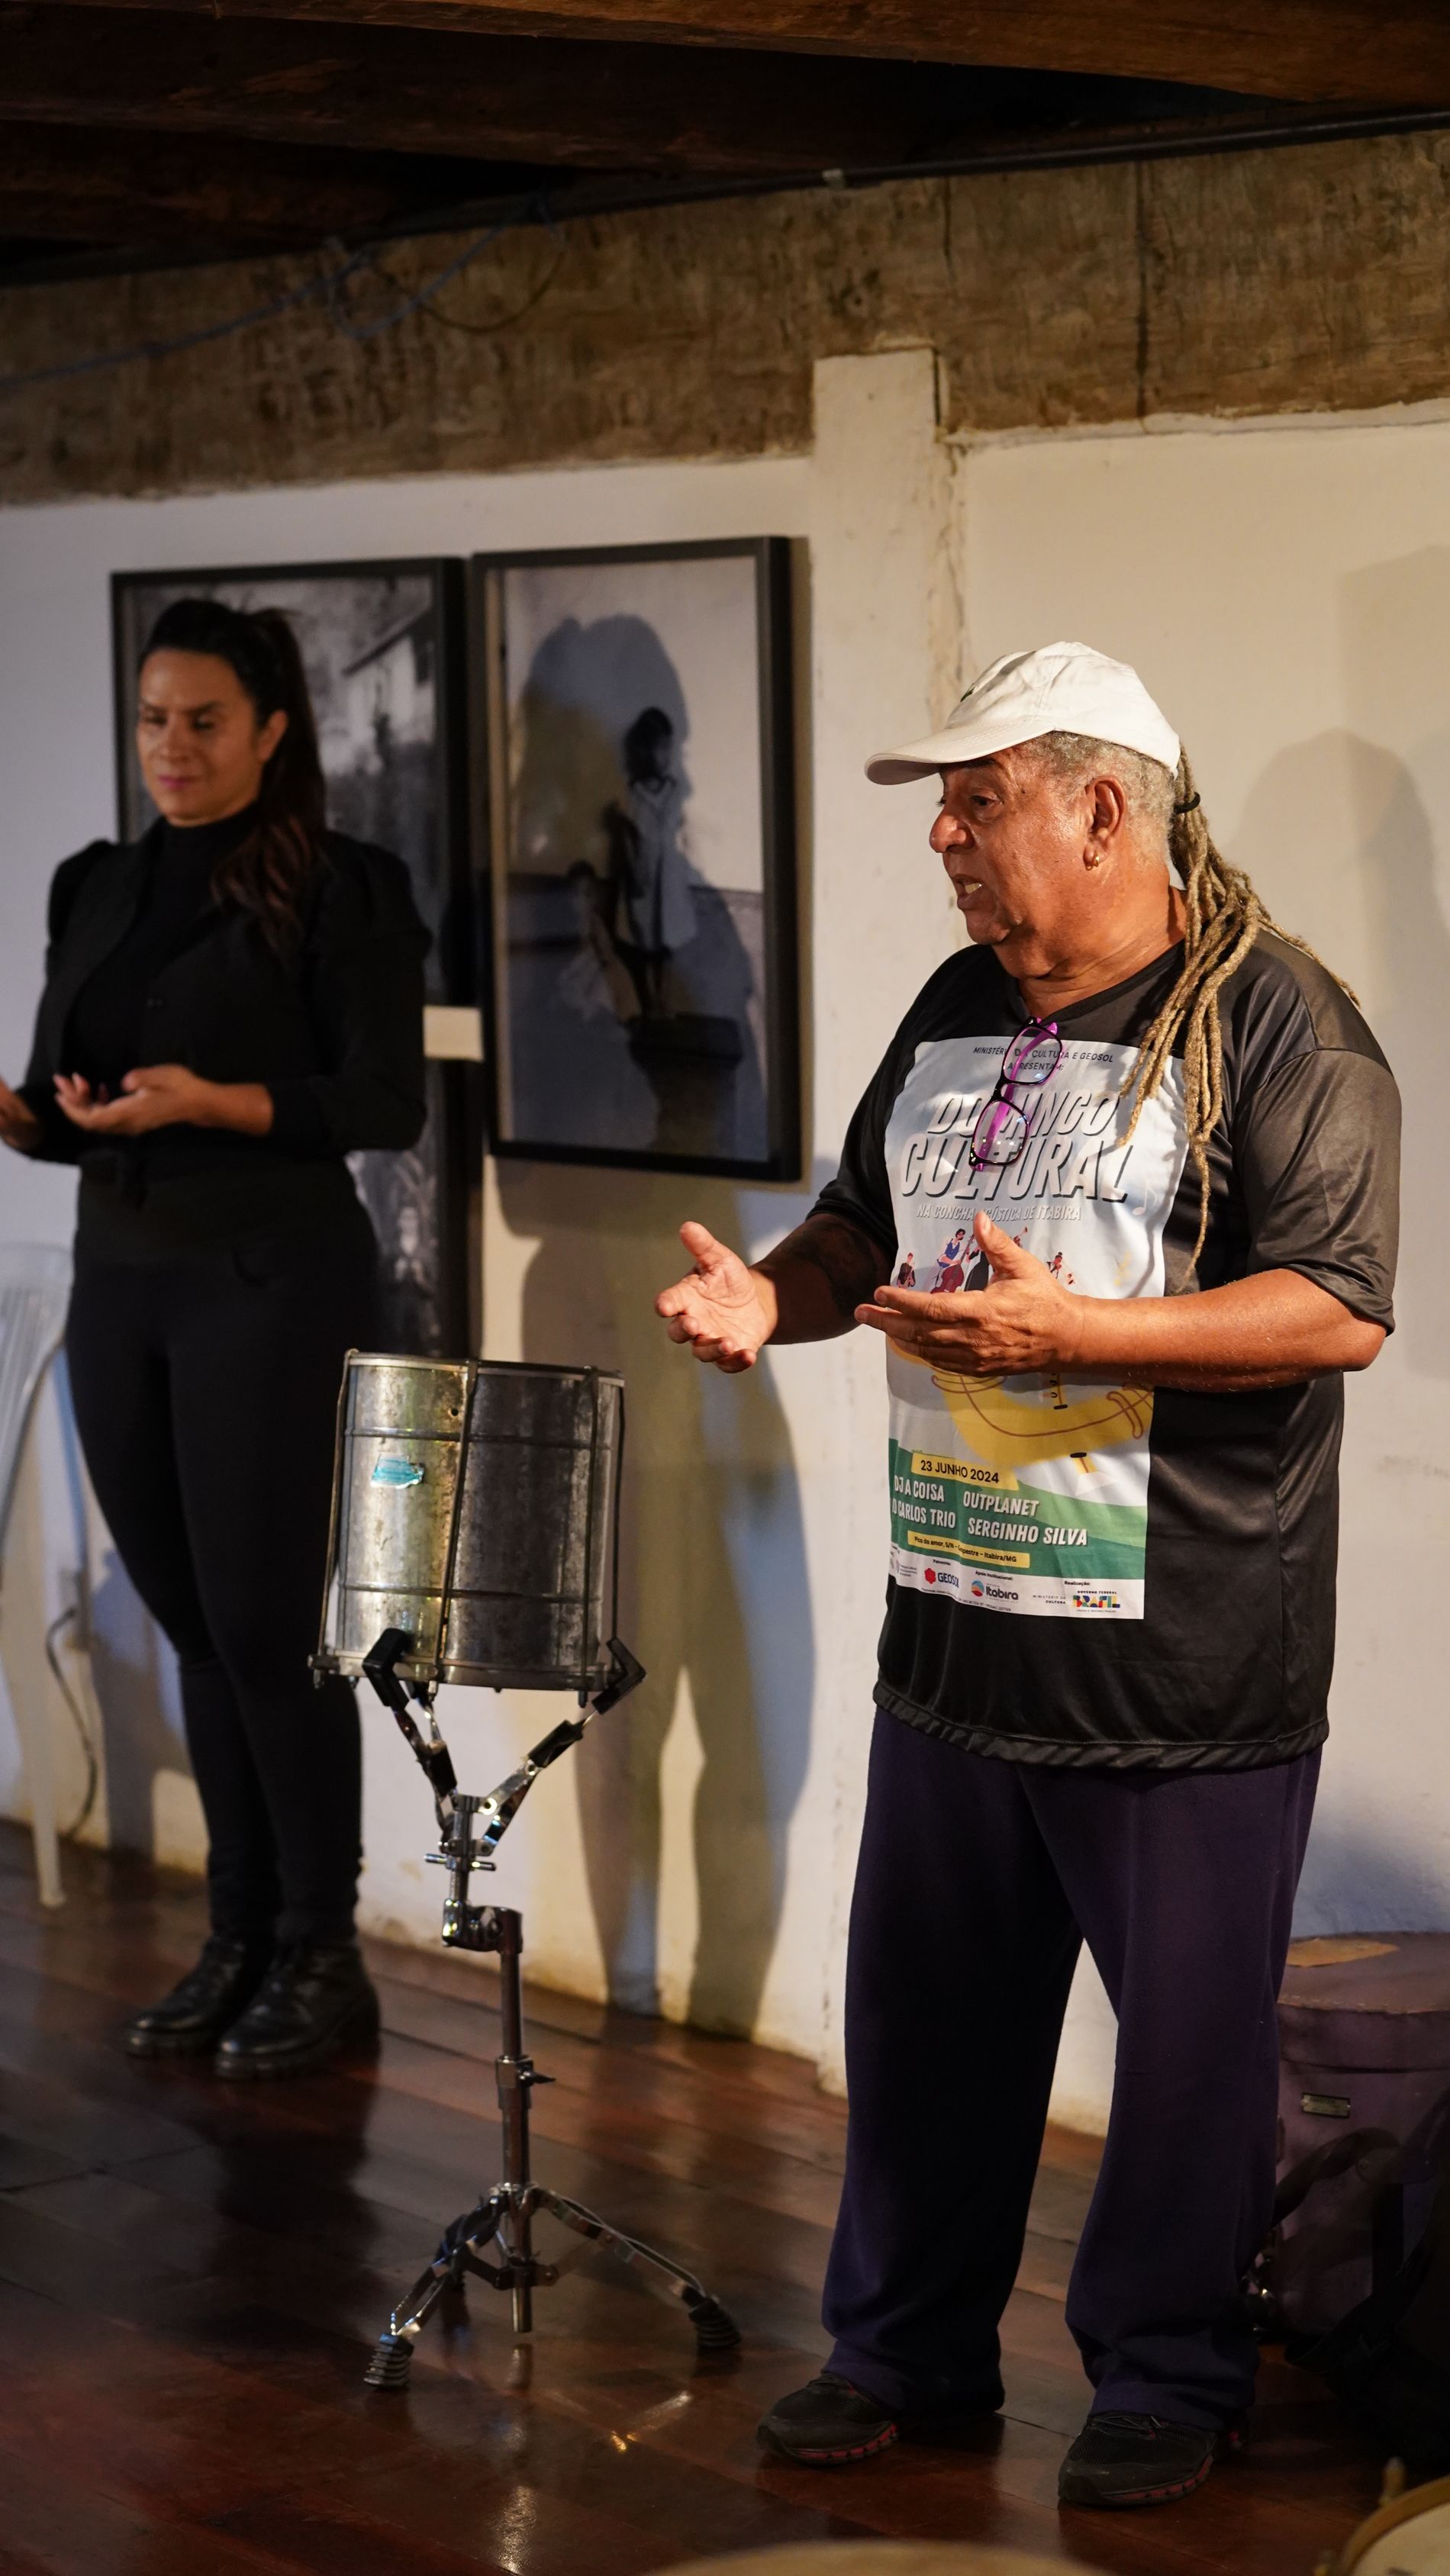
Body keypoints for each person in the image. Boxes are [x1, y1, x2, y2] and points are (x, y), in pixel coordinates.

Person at [654, 641, 1399, 2510]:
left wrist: (1083, 1334)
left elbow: (1334, 1305)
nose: (946, 841)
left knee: (1187, 2061)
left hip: (1179, 1660)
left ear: (1099, 808)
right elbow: (859, 1225)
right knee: (924, 2026)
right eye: (943, 811)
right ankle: (901, 2345)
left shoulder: (1276, 1019)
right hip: (959, 1627)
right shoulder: (955, 1004)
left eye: (975, 803)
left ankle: (1167, 2368)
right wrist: (769, 1299)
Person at [0, 598, 428, 2077]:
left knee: (266, 1627)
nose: (170, 747)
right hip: (122, 1278)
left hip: (270, 1282)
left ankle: (323, 1946)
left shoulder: (342, 886)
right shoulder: (97, 882)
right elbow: (74, 1107)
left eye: (201, 721)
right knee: (189, 1617)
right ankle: (239, 1931)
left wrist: (214, 1103)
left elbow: (383, 1103)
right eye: (151, 720)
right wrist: (32, 1118)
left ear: (270, 730)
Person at [604, 706, 698, 1017]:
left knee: (667, 946)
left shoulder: (675, 793)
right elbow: (628, 842)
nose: (665, 755)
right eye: (659, 748)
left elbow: (682, 834)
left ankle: (665, 1000)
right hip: (642, 879)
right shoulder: (631, 796)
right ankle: (649, 1004)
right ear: (645, 751)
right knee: (644, 944)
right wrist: (634, 873)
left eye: (668, 748)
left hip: (668, 882)